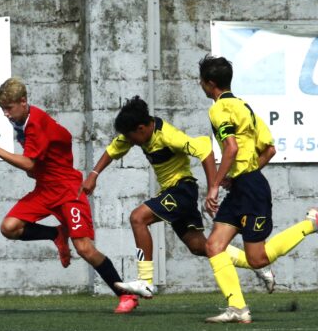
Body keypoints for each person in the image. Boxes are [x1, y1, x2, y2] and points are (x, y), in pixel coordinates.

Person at [79, 96, 277, 304]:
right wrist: (93, 174)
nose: (129, 142)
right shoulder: (135, 135)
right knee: (202, 247)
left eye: (131, 137)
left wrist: (213, 188)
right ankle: (258, 265)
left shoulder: (168, 136)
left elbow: (205, 149)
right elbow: (112, 151)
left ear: (141, 128)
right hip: (174, 193)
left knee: (138, 218)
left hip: (182, 190)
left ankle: (145, 280)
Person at [0, 77, 138, 314]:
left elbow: (29, 162)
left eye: (8, 108)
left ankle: (126, 295)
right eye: (2, 109)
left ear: (23, 101)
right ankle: (56, 234)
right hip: (45, 189)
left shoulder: (35, 123)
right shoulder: (21, 120)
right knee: (9, 227)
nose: (6, 114)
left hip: (67, 190)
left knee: (84, 249)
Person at [199, 55, 318, 323]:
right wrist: (238, 174)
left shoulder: (218, 109)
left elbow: (231, 148)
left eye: (202, 82)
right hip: (243, 185)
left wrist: (215, 185)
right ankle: (238, 308)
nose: (201, 86)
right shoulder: (246, 108)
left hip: (250, 189)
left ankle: (312, 224)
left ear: (210, 83)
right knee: (214, 246)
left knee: (257, 259)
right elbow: (270, 149)